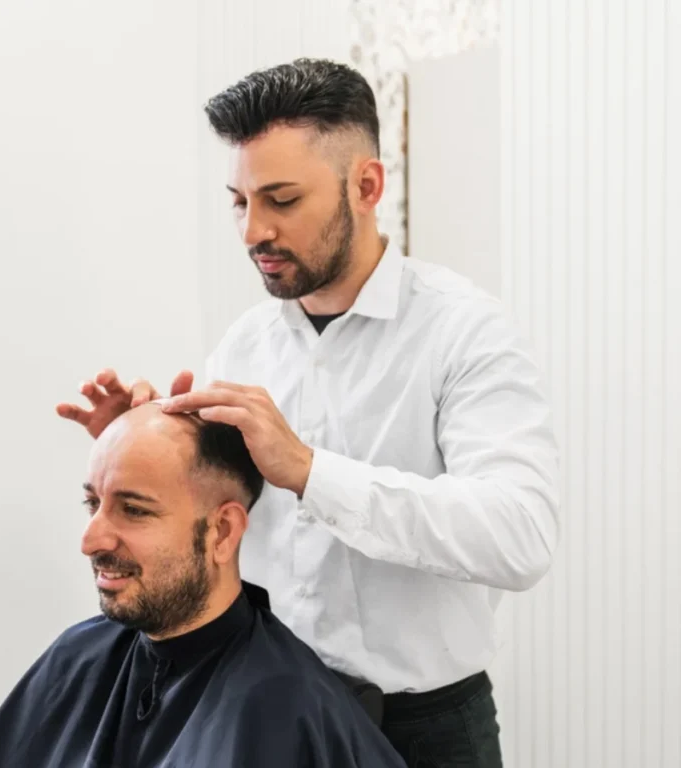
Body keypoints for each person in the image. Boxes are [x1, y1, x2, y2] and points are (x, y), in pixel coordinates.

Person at [57, 58, 559, 767]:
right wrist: (142, 444)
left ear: (367, 185)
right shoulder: (242, 345)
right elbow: (214, 520)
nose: (252, 230)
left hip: (426, 734)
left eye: (282, 200)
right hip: (267, 717)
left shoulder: (464, 332)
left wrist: (311, 472)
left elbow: (521, 537)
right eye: (239, 201)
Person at [0, 404, 406, 768]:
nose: (90, 540)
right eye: (93, 502)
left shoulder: (287, 707)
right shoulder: (77, 655)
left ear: (222, 532)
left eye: (134, 510)